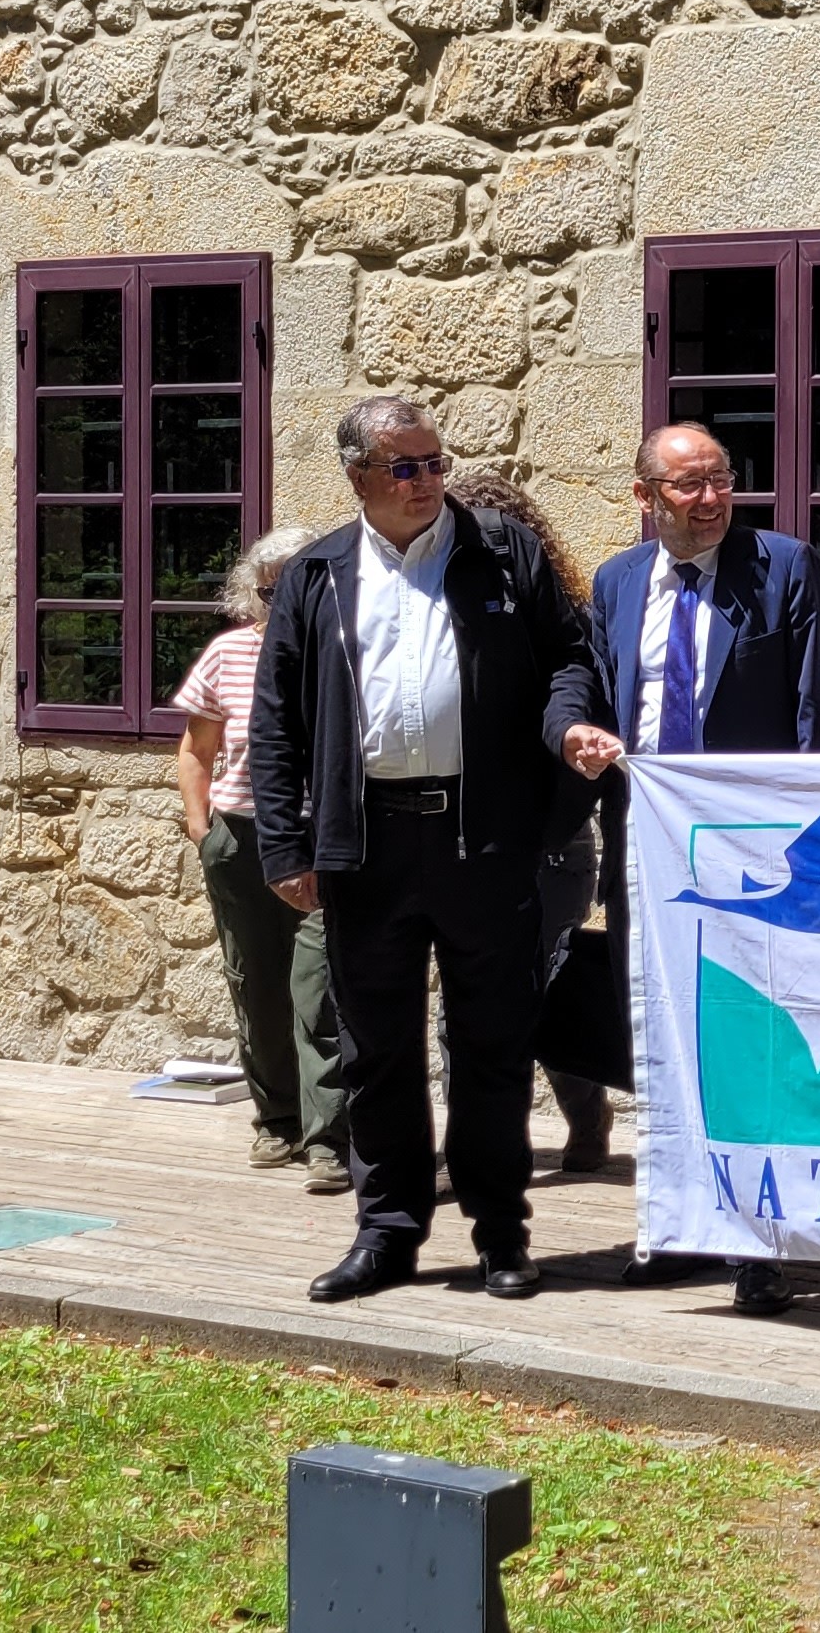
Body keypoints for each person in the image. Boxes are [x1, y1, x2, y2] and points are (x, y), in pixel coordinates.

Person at [248, 396, 595, 1307]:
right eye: (404, 467)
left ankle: (500, 1232)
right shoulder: (317, 573)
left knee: (492, 1043)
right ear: (357, 475)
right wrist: (285, 844)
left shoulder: (503, 553)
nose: (426, 481)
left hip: (483, 837)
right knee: (377, 1048)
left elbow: (569, 657)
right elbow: (275, 720)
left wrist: (565, 731)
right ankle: (388, 1232)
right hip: (367, 844)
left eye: (435, 463)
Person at [545, 422, 820, 1305]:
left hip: (751, 855)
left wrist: (802, 852)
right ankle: (681, 1223)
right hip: (647, 846)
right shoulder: (617, 580)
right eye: (689, 485)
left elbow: (811, 716)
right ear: (646, 497)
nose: (711, 499)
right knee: (661, 1035)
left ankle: (762, 1243)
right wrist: (572, 729)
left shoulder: (783, 567)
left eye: (721, 480)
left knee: (751, 1038)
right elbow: (588, 682)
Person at [449, 469, 617, 1184]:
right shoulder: (433, 617)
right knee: (466, 1001)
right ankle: (481, 1147)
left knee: (544, 994)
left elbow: (585, 726)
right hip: (464, 842)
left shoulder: (563, 619)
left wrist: (552, 827)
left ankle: (586, 1117)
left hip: (550, 842)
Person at [171, 526, 345, 1195]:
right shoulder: (229, 653)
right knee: (256, 984)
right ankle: (277, 1121)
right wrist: (202, 830)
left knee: (319, 990)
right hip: (241, 840)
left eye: (300, 584)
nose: (285, 600)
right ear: (254, 594)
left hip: (319, 841)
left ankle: (329, 1137)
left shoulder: (343, 649)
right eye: (273, 591)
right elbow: (197, 749)